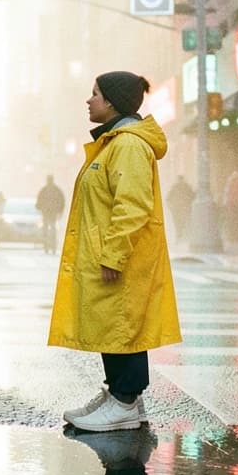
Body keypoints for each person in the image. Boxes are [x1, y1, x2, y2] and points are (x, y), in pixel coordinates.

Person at [49, 70, 181, 432]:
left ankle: (125, 399)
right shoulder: (114, 142)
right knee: (113, 325)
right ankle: (120, 397)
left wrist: (114, 254)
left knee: (125, 326)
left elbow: (133, 206)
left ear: (111, 102)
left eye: (94, 94)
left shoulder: (127, 145)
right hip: (108, 253)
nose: (88, 100)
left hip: (121, 257)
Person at [36, 174, 66, 254]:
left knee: (47, 229)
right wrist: (60, 211)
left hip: (46, 213)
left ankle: (47, 245)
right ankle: (52, 245)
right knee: (52, 229)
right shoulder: (56, 190)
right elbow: (62, 201)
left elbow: (39, 201)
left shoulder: (44, 190)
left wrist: (39, 208)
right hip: (52, 213)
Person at [164, 174, 194, 243]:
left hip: (177, 209)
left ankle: (179, 237)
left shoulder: (175, 187)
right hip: (183, 209)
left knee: (178, 224)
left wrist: (171, 207)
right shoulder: (186, 187)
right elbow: (193, 196)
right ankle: (181, 237)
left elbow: (168, 198)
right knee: (183, 223)